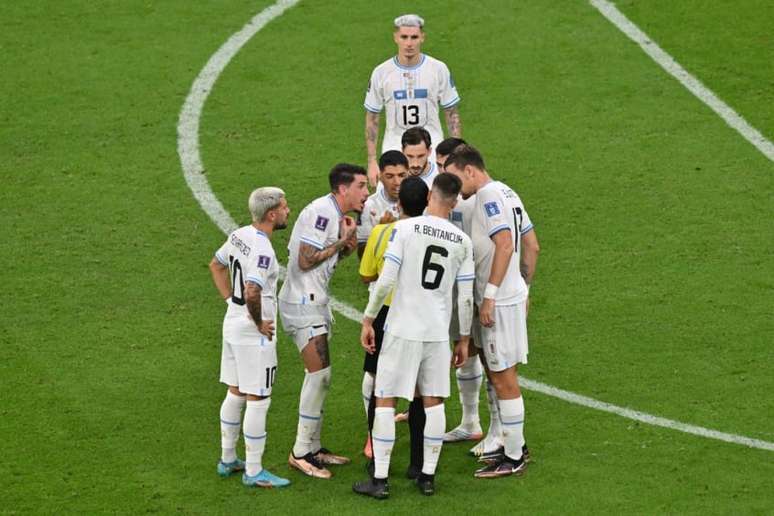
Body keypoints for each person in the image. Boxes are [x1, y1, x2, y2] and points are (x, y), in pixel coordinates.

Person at [353, 173, 475, 499]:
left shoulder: (403, 230)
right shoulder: (462, 242)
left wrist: (368, 319)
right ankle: (427, 477)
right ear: (455, 201)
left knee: (385, 399)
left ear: (430, 195)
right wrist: (462, 339)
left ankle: (379, 480)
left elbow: (386, 279)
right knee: (433, 403)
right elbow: (464, 298)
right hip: (435, 333)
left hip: (402, 327)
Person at [444, 145, 540, 478]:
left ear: (469, 170)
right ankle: (513, 445)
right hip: (509, 297)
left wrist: (491, 296)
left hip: (497, 304)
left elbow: (505, 244)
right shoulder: (508, 192)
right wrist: (522, 286)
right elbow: (532, 245)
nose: (454, 186)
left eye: (455, 177)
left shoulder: (486, 196)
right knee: (496, 371)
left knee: (503, 378)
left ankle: (514, 456)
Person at [278, 164, 369, 479]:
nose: (366, 193)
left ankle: (313, 448)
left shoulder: (336, 214)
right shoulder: (321, 212)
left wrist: (346, 243)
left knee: (321, 377)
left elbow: (329, 259)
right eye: (361, 186)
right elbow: (305, 260)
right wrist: (340, 241)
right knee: (319, 377)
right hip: (302, 305)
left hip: (314, 303)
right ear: (343, 189)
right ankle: (300, 452)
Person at [209, 187, 291, 488]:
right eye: (284, 207)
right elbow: (254, 290)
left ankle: (228, 459)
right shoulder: (264, 250)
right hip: (252, 333)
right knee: (258, 398)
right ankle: (254, 471)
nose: (287, 211)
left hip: (231, 323)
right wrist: (258, 322)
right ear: (271, 214)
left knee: (236, 391)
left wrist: (231, 302)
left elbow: (215, 265)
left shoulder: (238, 235)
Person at [358, 176, 429, 473]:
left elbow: (368, 276)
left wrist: (368, 319)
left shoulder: (383, 232)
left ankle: (377, 457)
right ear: (427, 203)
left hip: (387, 313)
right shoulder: (439, 234)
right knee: (419, 390)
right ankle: (419, 464)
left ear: (398, 204)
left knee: (380, 386)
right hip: (422, 316)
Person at [364, 13, 462, 186]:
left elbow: (451, 112)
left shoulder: (438, 69)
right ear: (396, 37)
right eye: (404, 37)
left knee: (438, 199)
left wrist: (457, 155)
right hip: (394, 147)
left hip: (431, 148)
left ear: (422, 37)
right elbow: (372, 117)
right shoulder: (381, 72)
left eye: (414, 37)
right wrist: (372, 161)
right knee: (389, 203)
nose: (409, 43)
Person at [356, 150, 408, 258]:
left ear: (408, 174)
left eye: (401, 175)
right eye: (390, 176)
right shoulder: (368, 206)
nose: (397, 182)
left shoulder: (420, 200)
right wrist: (382, 231)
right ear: (380, 177)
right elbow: (362, 255)